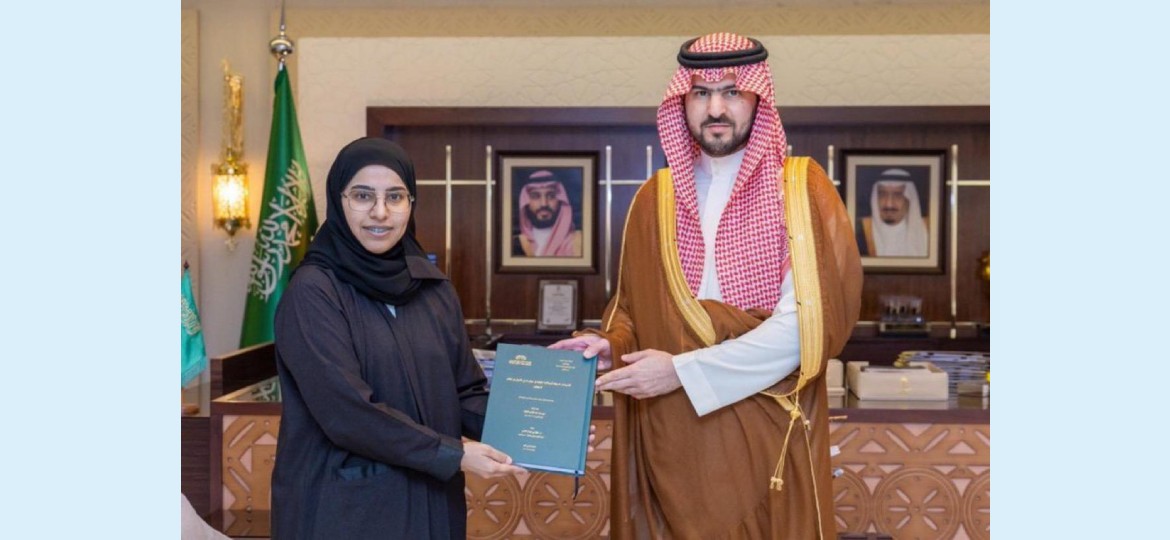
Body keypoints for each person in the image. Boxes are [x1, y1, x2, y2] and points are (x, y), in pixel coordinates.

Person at [551, 33, 862, 539]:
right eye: (700, 93)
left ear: (758, 99)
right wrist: (612, 347)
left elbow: (807, 329)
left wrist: (682, 371)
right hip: (670, 440)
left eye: (732, 91)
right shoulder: (654, 198)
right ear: (682, 101)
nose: (716, 109)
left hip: (765, 434)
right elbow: (633, 309)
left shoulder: (801, 190)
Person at [271, 137, 526, 539]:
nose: (380, 212)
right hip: (345, 511)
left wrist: (539, 428)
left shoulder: (433, 289)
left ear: (411, 203)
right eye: (362, 196)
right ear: (338, 201)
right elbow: (347, 412)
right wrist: (453, 453)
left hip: (431, 503)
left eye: (395, 196)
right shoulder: (313, 291)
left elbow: (464, 394)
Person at [858, 168, 929, 256]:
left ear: (909, 199)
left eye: (897, 195)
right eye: (882, 194)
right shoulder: (861, 230)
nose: (889, 204)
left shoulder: (928, 229)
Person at [513, 169, 582, 257]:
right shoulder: (515, 244)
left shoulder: (578, 241)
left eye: (551, 196)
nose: (544, 204)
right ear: (526, 202)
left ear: (561, 201)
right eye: (535, 196)